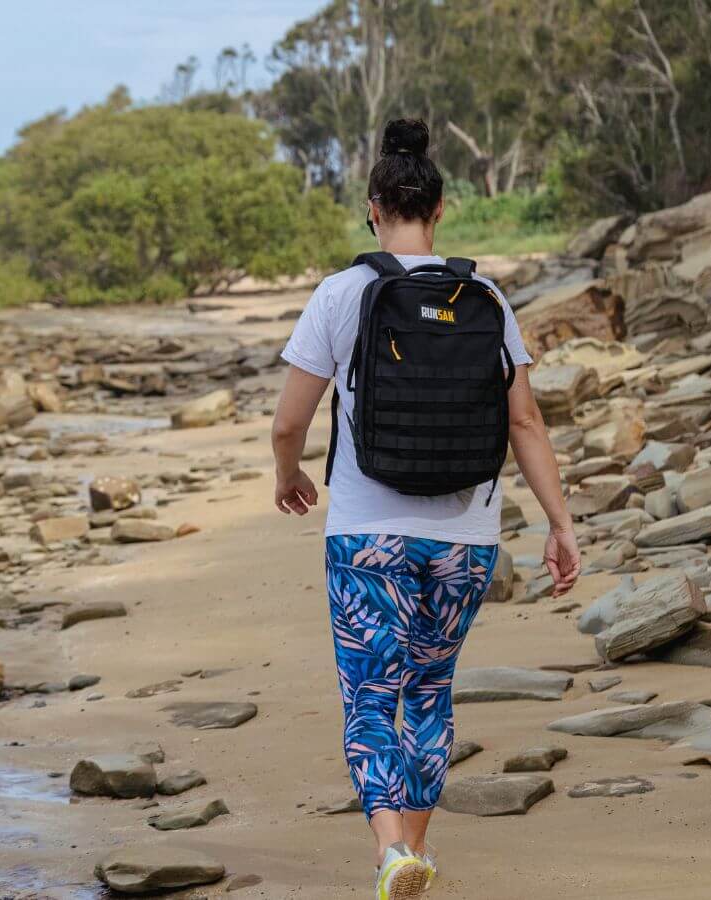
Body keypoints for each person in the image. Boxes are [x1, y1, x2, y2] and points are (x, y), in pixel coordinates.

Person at [270, 117, 581, 899]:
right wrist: (560, 523)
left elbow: (289, 421)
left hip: (367, 536)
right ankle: (416, 849)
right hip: (465, 538)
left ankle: (390, 854)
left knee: (373, 696)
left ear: (373, 208)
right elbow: (525, 423)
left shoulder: (342, 293)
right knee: (431, 691)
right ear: (440, 211)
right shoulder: (485, 296)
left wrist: (288, 474)